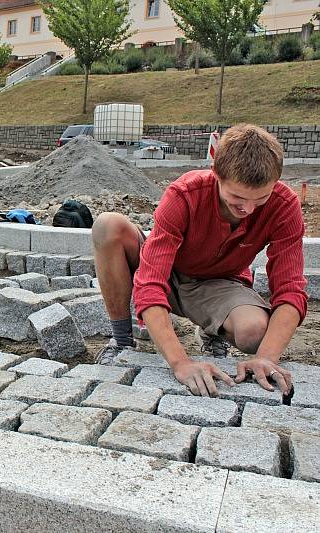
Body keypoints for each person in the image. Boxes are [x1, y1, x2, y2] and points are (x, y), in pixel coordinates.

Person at [92, 124, 306, 397]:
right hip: (169, 272)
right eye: (237, 197)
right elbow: (150, 282)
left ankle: (212, 332)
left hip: (217, 283)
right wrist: (181, 364)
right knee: (107, 226)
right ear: (217, 174)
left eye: (260, 198)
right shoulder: (184, 195)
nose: (248, 209)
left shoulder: (284, 205)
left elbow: (290, 289)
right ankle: (121, 341)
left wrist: (266, 357)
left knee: (255, 332)